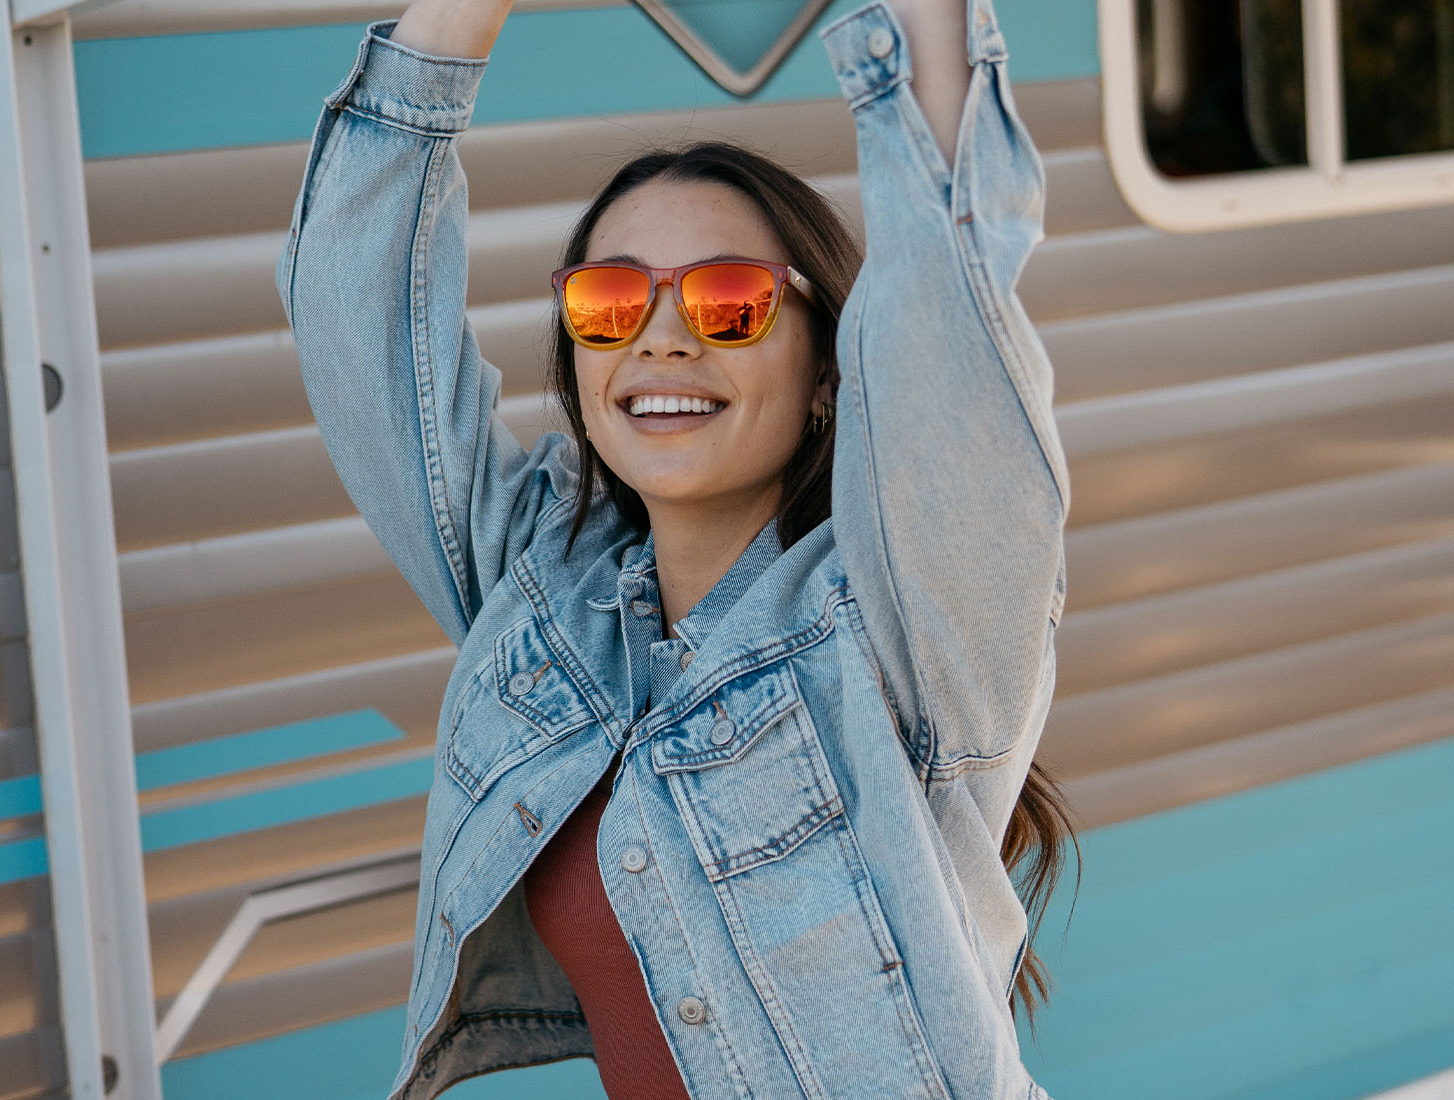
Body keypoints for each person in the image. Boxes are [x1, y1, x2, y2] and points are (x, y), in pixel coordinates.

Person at [278, 0, 1076, 1095]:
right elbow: (350, 309)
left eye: (730, 302)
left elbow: (952, 309)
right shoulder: (544, 596)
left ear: (826, 377)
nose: (660, 334)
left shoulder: (899, 628)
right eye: (609, 303)